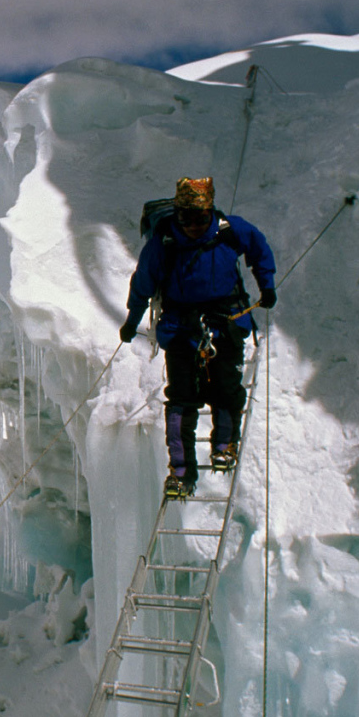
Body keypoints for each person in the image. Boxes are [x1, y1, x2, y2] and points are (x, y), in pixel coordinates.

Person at [118, 177, 276, 499]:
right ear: (177, 215)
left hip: (224, 324)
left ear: (210, 213)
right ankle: (180, 471)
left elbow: (259, 250)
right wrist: (132, 321)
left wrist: (267, 285)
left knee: (225, 389)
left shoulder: (231, 230)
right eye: (186, 219)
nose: (192, 226)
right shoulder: (163, 243)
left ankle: (223, 445)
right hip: (180, 329)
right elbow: (143, 285)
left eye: (200, 219)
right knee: (181, 400)